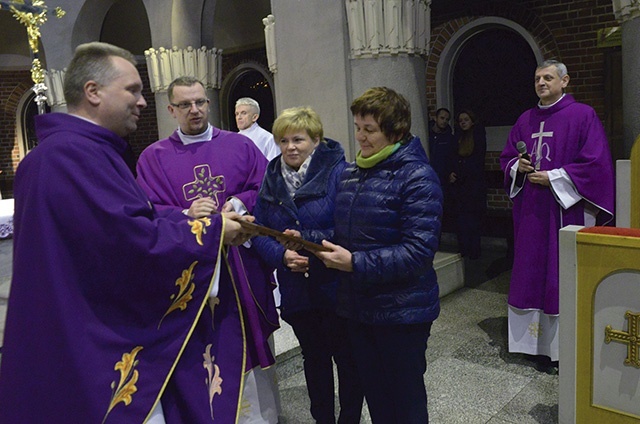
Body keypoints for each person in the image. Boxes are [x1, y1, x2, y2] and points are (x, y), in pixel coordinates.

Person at [0, 42, 259, 423]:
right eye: (133, 90)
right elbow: (128, 242)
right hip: (90, 341)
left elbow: (134, 220)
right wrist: (212, 230)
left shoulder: (65, 153)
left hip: (72, 324)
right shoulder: (74, 158)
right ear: (93, 92)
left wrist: (198, 223)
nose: (142, 101)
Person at [135, 76, 280, 423]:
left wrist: (237, 204)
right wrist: (186, 214)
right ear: (171, 109)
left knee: (248, 344)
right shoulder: (153, 158)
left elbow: (266, 188)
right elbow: (146, 211)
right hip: (189, 275)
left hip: (240, 265)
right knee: (198, 355)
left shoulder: (241, 146)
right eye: (184, 104)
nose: (194, 110)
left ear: (209, 104)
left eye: (199, 102)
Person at [316, 87, 443, 423]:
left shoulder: (417, 177)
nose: (360, 136)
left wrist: (354, 263)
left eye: (369, 130)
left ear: (396, 131)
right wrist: (308, 241)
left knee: (405, 404)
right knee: (378, 400)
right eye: (358, 127)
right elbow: (345, 233)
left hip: (402, 312)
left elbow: (418, 252)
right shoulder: (351, 172)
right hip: (359, 308)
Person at [500, 59, 614, 373]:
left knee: (558, 273)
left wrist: (556, 177)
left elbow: (596, 162)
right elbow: (508, 157)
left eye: (548, 77)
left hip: (565, 209)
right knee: (530, 271)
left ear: (564, 81)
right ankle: (531, 346)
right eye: (537, 78)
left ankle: (562, 347)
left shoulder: (583, 115)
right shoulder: (525, 119)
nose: (541, 83)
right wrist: (517, 168)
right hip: (531, 213)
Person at [252, 107, 364, 424]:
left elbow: (353, 230)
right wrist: (282, 255)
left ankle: (350, 419)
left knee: (347, 358)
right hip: (298, 289)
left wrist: (307, 239)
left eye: (298, 139)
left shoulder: (340, 174)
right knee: (314, 360)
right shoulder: (271, 179)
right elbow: (261, 233)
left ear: (315, 139)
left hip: (336, 286)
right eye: (284, 140)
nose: (290, 147)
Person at [448, 109, 487, 259]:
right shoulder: (457, 137)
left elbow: (477, 161)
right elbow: (451, 157)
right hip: (459, 186)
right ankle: (463, 250)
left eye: (466, 119)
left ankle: (474, 251)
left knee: (473, 221)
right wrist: (451, 172)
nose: (463, 122)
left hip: (473, 186)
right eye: (460, 120)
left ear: (472, 121)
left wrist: (462, 171)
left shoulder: (477, 135)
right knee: (461, 220)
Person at [428, 107, 456, 234]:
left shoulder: (448, 137)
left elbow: (451, 157)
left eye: (447, 119)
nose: (444, 121)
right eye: (442, 118)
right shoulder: (428, 134)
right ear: (435, 118)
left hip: (442, 178)